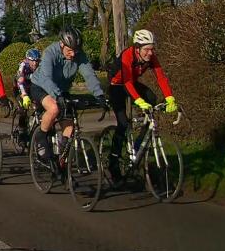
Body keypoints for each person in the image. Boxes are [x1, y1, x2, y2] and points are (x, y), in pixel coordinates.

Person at [105, 29, 179, 185]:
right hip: (117, 85)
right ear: (137, 48)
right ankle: (113, 164)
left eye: (152, 49)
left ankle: (139, 144)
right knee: (123, 124)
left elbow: (161, 77)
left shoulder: (151, 56)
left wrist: (170, 98)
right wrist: (138, 101)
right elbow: (126, 83)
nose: (150, 53)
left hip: (131, 82)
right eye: (146, 49)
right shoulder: (127, 55)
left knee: (152, 99)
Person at [29, 26, 108, 163]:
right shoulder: (50, 53)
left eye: (75, 51)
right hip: (41, 86)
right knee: (54, 108)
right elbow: (47, 78)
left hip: (61, 89)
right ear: (61, 44)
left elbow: (89, 75)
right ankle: (41, 137)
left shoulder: (79, 55)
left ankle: (62, 159)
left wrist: (99, 95)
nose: (73, 54)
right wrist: (58, 97)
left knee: (70, 126)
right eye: (69, 50)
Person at [11, 48, 41, 142]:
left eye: (37, 60)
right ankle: (21, 131)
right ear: (28, 59)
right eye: (32, 60)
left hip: (32, 88)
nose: (35, 63)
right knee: (23, 109)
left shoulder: (41, 65)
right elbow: (20, 82)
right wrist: (24, 95)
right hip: (20, 88)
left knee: (41, 107)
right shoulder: (23, 65)